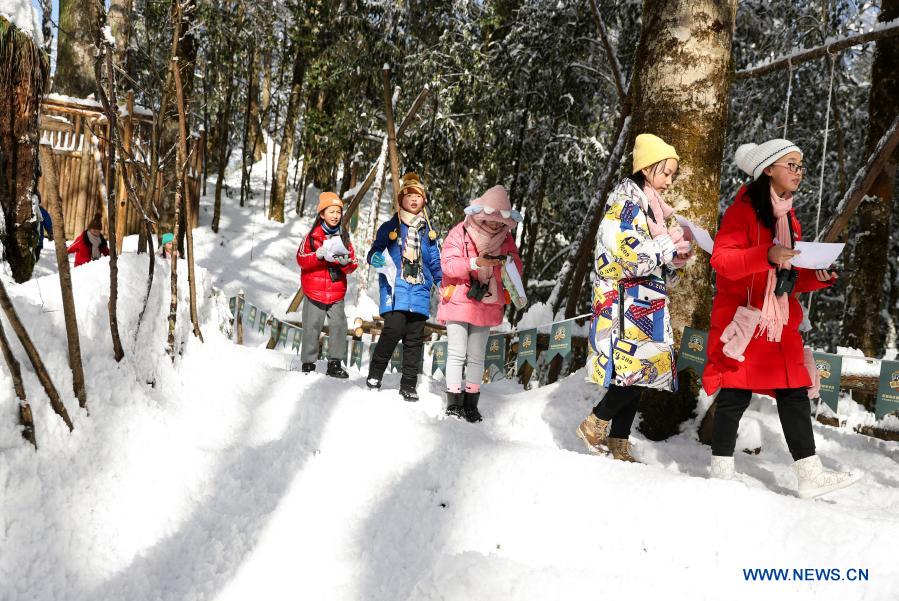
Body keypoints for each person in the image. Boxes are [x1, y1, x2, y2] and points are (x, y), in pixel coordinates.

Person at [703, 138, 862, 498]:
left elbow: (789, 274)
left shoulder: (789, 217)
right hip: (745, 318)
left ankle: (810, 474)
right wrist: (766, 253)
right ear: (769, 168)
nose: (798, 172)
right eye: (791, 164)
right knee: (734, 395)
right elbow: (722, 261)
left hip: (778, 321)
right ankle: (720, 471)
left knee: (793, 392)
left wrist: (817, 276)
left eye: (801, 166)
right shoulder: (742, 210)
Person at [577, 133, 694, 462]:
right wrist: (666, 246)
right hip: (624, 302)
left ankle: (619, 441)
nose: (670, 180)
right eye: (666, 172)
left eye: (673, 173)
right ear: (646, 168)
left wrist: (674, 260)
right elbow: (627, 256)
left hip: (644, 300)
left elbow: (654, 259)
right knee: (636, 369)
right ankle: (597, 422)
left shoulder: (652, 208)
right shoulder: (625, 204)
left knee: (640, 372)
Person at [436, 185, 523, 422]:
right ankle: (453, 401)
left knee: (476, 356)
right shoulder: (459, 232)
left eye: (499, 221)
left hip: (487, 301)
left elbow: (517, 267)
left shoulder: (506, 239)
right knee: (456, 352)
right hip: (458, 298)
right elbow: (448, 265)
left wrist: (504, 263)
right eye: (490, 218)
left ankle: (471, 402)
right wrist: (475, 262)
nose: (495, 224)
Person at [365, 173, 442, 401]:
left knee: (414, 340)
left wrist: (441, 281)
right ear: (401, 200)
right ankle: (375, 374)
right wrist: (375, 257)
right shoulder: (392, 226)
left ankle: (408, 384)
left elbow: (435, 262)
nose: (415, 199)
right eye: (410, 195)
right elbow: (375, 250)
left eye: (419, 196)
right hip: (396, 289)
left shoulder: (429, 232)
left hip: (419, 290)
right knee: (393, 331)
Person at [296, 192, 357, 378]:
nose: (335, 215)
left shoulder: (344, 236)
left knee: (339, 326)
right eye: (331, 211)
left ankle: (335, 363)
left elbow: (353, 264)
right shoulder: (312, 237)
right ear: (322, 213)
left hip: (336, 290)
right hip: (314, 291)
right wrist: (317, 256)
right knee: (311, 326)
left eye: (338, 212)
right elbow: (300, 259)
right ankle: (308, 363)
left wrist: (345, 262)